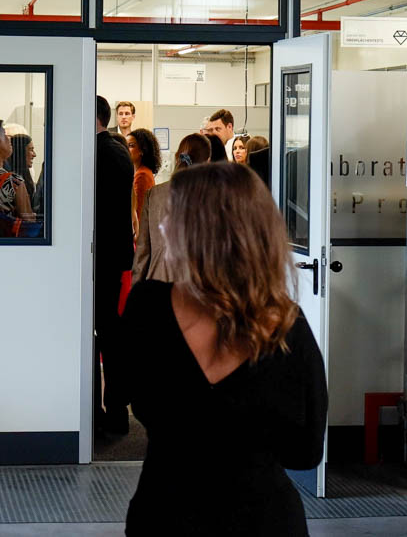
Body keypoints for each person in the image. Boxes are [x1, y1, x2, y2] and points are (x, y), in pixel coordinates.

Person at [117, 163, 327, 537]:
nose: (163, 228)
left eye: (173, 218)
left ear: (204, 232)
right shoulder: (285, 327)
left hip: (165, 515)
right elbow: (305, 452)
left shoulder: (146, 307)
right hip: (264, 521)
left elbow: (127, 394)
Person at [95, 95, 136, 435]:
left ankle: (107, 412)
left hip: (100, 257)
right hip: (113, 255)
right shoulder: (117, 149)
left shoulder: (99, 152)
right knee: (110, 333)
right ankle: (115, 410)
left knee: (104, 335)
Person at [132, 132, 211, 284]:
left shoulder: (154, 194)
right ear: (207, 162)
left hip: (157, 281)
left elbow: (142, 253)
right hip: (196, 287)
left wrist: (136, 293)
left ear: (177, 157)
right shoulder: (211, 197)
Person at [127, 128, 161, 234]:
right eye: (126, 145)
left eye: (131, 145)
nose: (126, 149)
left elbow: (139, 211)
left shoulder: (142, 175)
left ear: (142, 150)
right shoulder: (142, 171)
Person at [9, 133, 42, 215]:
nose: (34, 154)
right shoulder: (13, 179)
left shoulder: (25, 175)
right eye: (31, 150)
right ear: (20, 152)